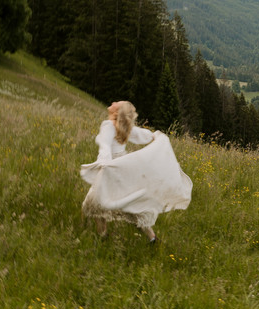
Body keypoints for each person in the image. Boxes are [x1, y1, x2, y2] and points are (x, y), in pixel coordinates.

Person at [80, 100, 192, 242]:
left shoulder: (108, 126)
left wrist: (104, 163)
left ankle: (102, 237)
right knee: (130, 206)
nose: (113, 102)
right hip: (123, 170)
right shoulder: (126, 128)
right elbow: (143, 135)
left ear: (117, 112)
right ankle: (152, 238)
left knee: (94, 205)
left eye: (116, 103)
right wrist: (155, 135)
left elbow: (105, 146)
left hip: (111, 169)